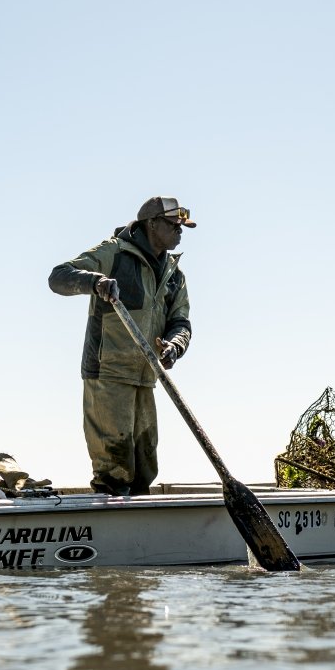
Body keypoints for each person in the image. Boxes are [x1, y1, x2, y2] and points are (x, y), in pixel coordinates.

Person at [48, 197, 195, 496]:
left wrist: (175, 346)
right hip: (108, 373)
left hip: (147, 376)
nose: (180, 232)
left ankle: (141, 525)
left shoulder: (174, 275)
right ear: (151, 223)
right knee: (114, 465)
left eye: (183, 227)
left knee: (144, 465)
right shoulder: (113, 252)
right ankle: (111, 515)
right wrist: (95, 281)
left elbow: (181, 322)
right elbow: (58, 277)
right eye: (173, 225)